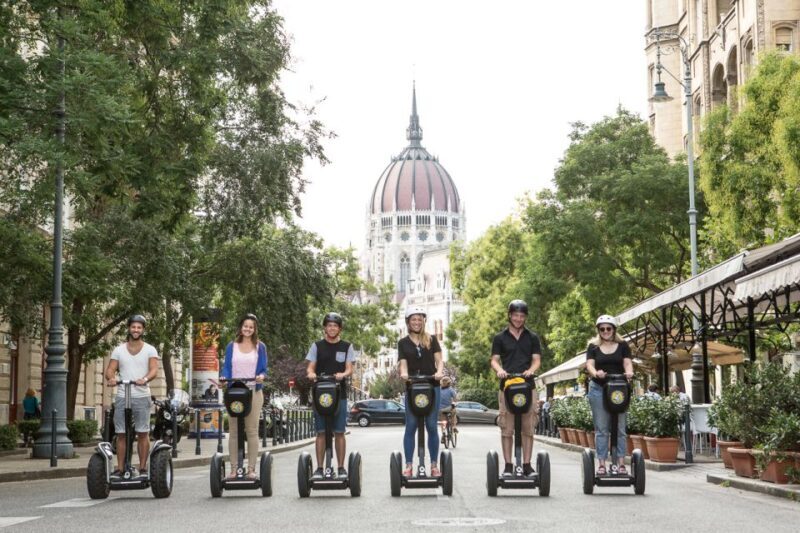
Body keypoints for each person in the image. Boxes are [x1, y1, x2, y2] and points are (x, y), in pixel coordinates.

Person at [490, 299, 542, 477]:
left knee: (528, 427)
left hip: (528, 385)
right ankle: (508, 465)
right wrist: (500, 371)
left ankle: (527, 465)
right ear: (510, 316)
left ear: (525, 317)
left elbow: (536, 360)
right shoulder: (500, 338)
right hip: (507, 386)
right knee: (507, 427)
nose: (519, 319)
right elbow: (494, 360)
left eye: (522, 316)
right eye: (515, 315)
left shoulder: (532, 337)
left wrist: (531, 371)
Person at [104, 314, 159, 479]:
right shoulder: (119, 350)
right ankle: (120, 469)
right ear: (129, 328)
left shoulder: (150, 349)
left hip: (141, 395)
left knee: (143, 432)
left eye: (139, 327)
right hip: (122, 395)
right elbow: (110, 369)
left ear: (143, 330)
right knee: (121, 433)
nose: (136, 330)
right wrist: (111, 378)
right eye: (133, 327)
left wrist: (145, 379)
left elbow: (154, 369)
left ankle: (142, 469)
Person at [305, 312, 356, 480]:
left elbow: (350, 368)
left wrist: (343, 374)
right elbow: (310, 367)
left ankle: (341, 468)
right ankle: (319, 468)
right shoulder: (317, 346)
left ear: (339, 328)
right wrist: (311, 374)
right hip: (321, 394)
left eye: (335, 325)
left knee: (339, 432)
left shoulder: (346, 346)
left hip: (339, 394)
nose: (332, 328)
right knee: (321, 432)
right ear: (325, 328)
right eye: (329, 325)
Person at [220, 313, 268, 480]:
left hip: (253, 391)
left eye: (251, 327)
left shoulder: (260, 346)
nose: (248, 329)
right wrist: (224, 378)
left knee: (252, 430)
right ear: (241, 327)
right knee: (233, 431)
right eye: (245, 326)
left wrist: (261, 376)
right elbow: (226, 367)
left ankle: (251, 469)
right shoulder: (231, 346)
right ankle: (233, 469)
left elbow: (263, 369)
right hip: (235, 392)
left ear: (254, 329)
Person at [585, 314, 634, 476]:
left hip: (619, 389)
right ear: (598, 330)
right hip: (599, 389)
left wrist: (629, 372)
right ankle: (601, 464)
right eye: (602, 329)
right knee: (602, 428)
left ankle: (620, 464)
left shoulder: (623, 345)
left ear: (614, 330)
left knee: (620, 428)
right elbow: (589, 365)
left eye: (608, 328)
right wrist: (596, 373)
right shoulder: (592, 346)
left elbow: (627, 362)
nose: (605, 331)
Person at [398, 306, 444, 477]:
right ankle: (409, 465)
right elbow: (403, 364)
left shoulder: (431, 339)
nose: (416, 322)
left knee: (431, 425)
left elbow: (439, 361)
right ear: (408, 322)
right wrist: (404, 374)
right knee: (410, 426)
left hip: (432, 386)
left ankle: (433, 465)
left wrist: (439, 372)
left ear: (423, 321)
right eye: (413, 319)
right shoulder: (403, 343)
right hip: (412, 387)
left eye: (419, 319)